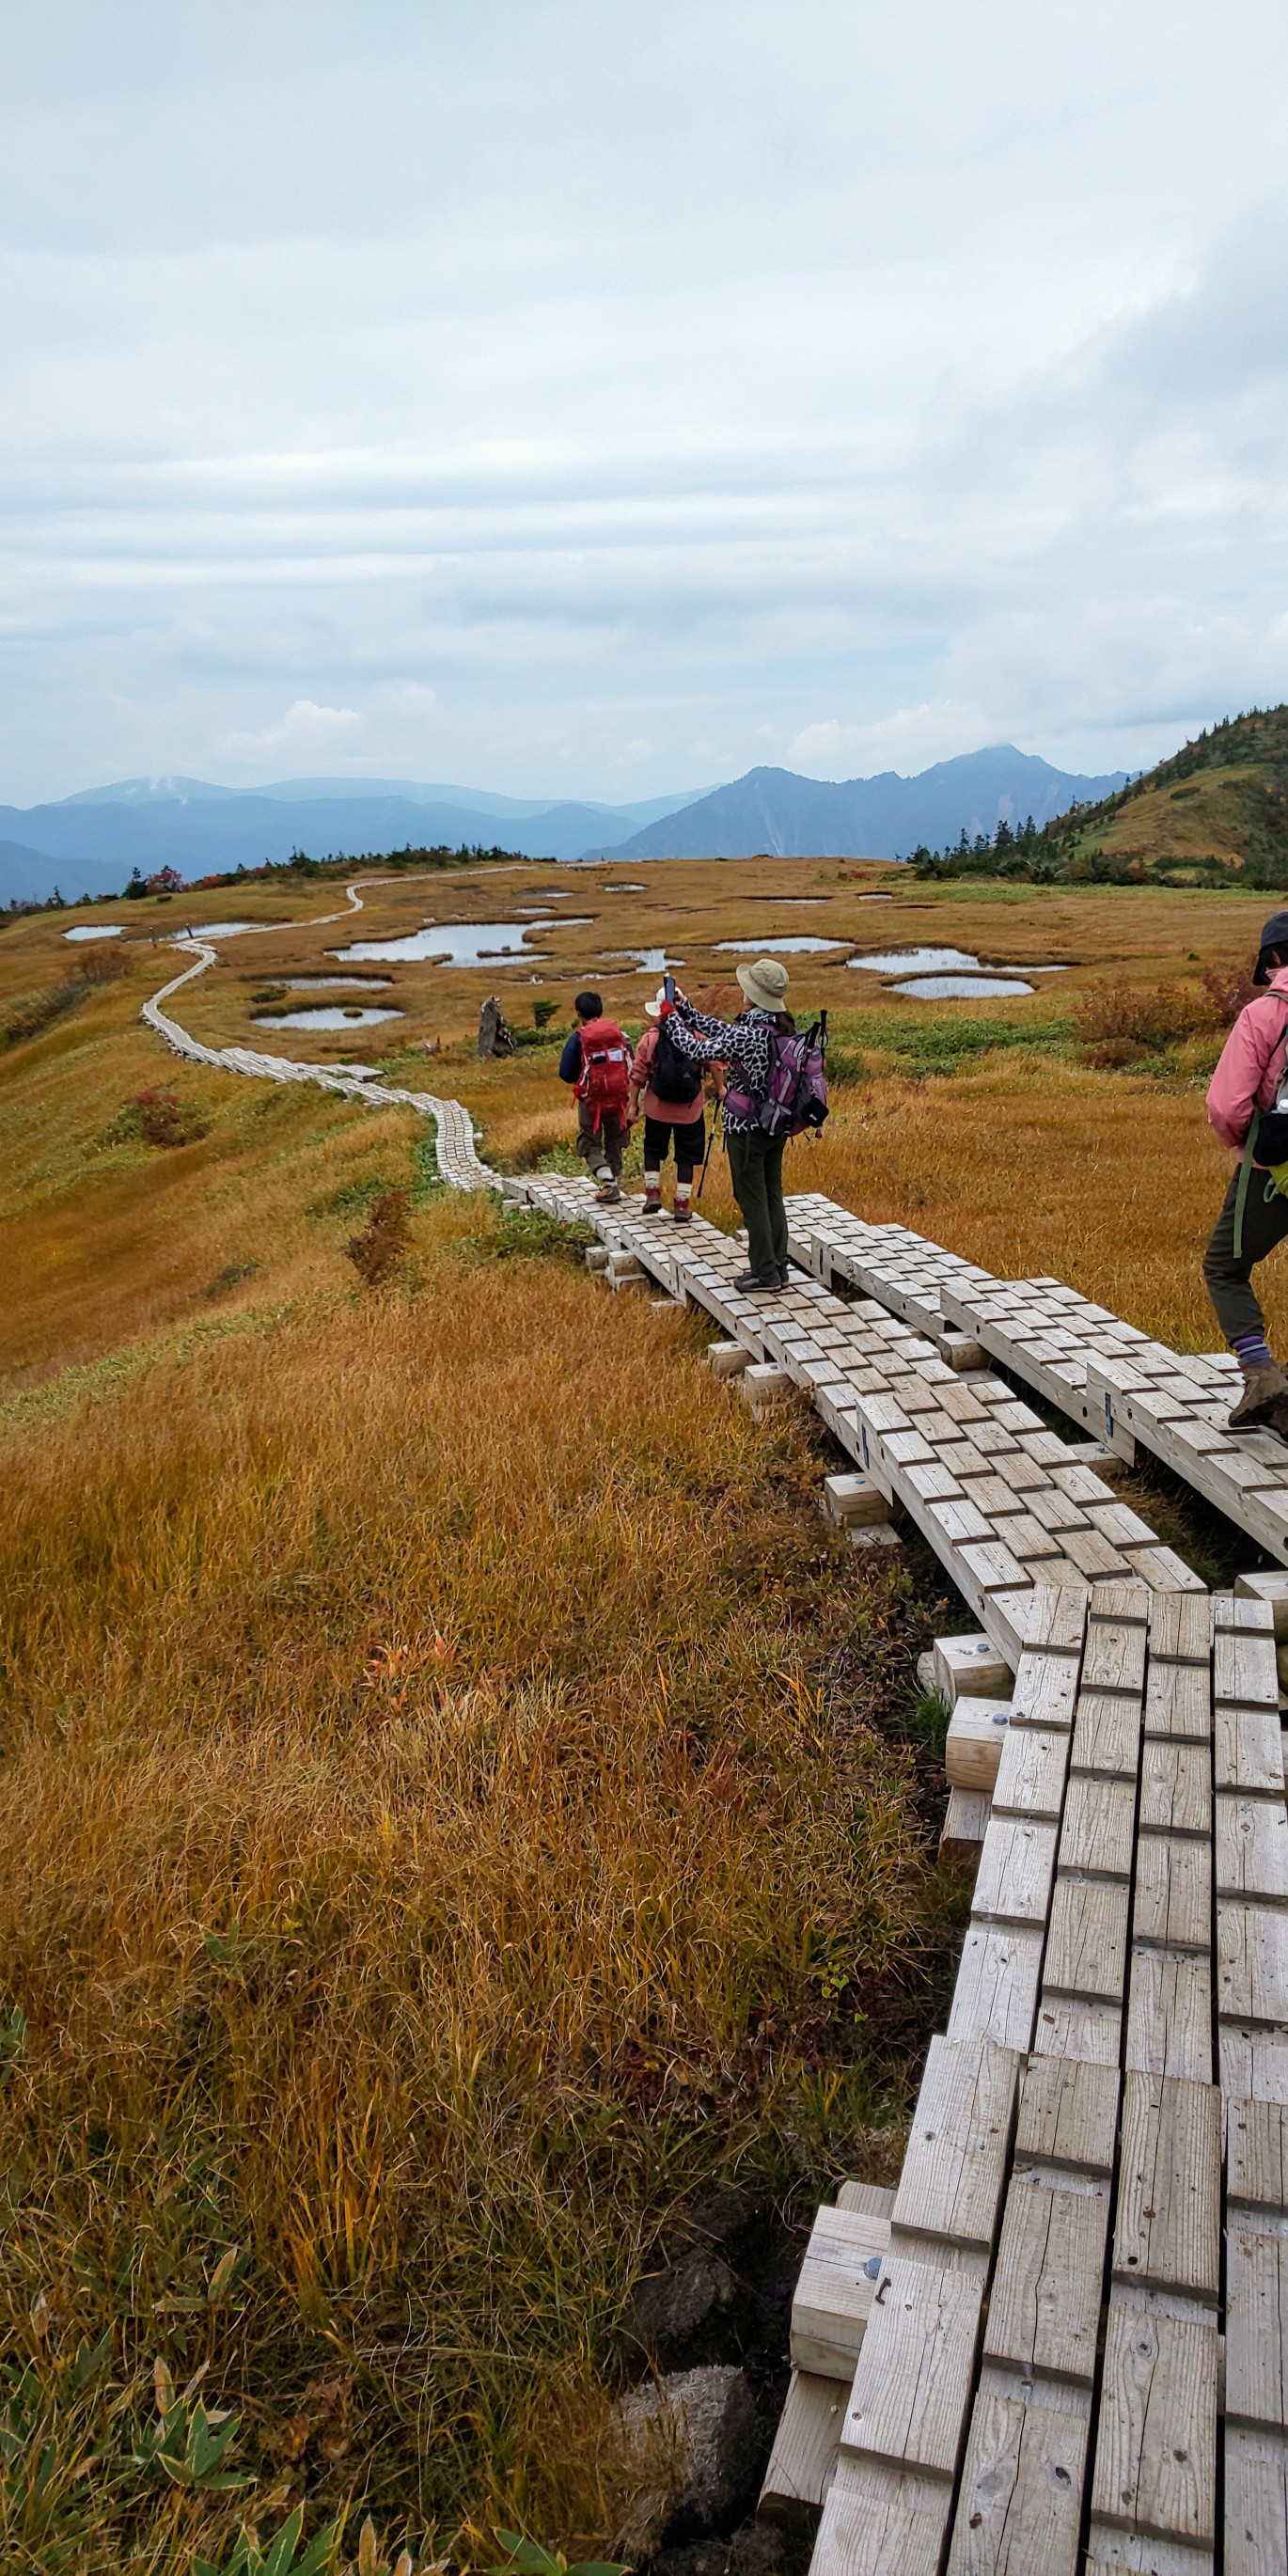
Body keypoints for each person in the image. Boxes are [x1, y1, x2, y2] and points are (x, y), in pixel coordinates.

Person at [662, 956, 795, 1291]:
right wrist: (685, 1009)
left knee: (751, 1197)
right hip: (775, 1124)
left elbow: (696, 1050)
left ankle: (764, 1272)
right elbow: (725, 1033)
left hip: (746, 1129)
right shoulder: (779, 1026)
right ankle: (779, 1266)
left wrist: (669, 1019)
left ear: (755, 994)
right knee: (771, 1193)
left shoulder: (750, 1033)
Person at [1203, 907, 1288, 1431]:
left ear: (1273, 958)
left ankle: (1261, 1374)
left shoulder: (1265, 1014)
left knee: (1224, 1267)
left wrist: (1246, 1142)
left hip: (1273, 1169)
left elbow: (1226, 1105)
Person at [628, 984, 723, 1221]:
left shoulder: (651, 1038)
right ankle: (682, 1205)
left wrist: (633, 1106)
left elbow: (638, 1074)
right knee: (686, 1157)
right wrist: (721, 1088)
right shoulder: (696, 1036)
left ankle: (652, 1194)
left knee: (652, 1149)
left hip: (657, 1108)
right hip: (690, 1110)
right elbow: (715, 1063)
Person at [558, 988, 633, 1203]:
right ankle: (613, 1182)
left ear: (579, 1014)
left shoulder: (579, 1038)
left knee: (590, 1143)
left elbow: (565, 1073)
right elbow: (632, 1064)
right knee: (615, 1140)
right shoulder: (619, 1035)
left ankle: (607, 1180)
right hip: (619, 1099)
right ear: (601, 1010)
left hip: (591, 1101)